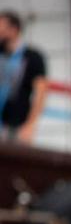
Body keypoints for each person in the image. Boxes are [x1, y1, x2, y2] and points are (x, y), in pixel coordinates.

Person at [0, 10, 47, 144]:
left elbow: (41, 93)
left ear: (14, 29)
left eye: (1, 27)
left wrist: (30, 125)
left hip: (18, 125)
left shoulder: (33, 57)